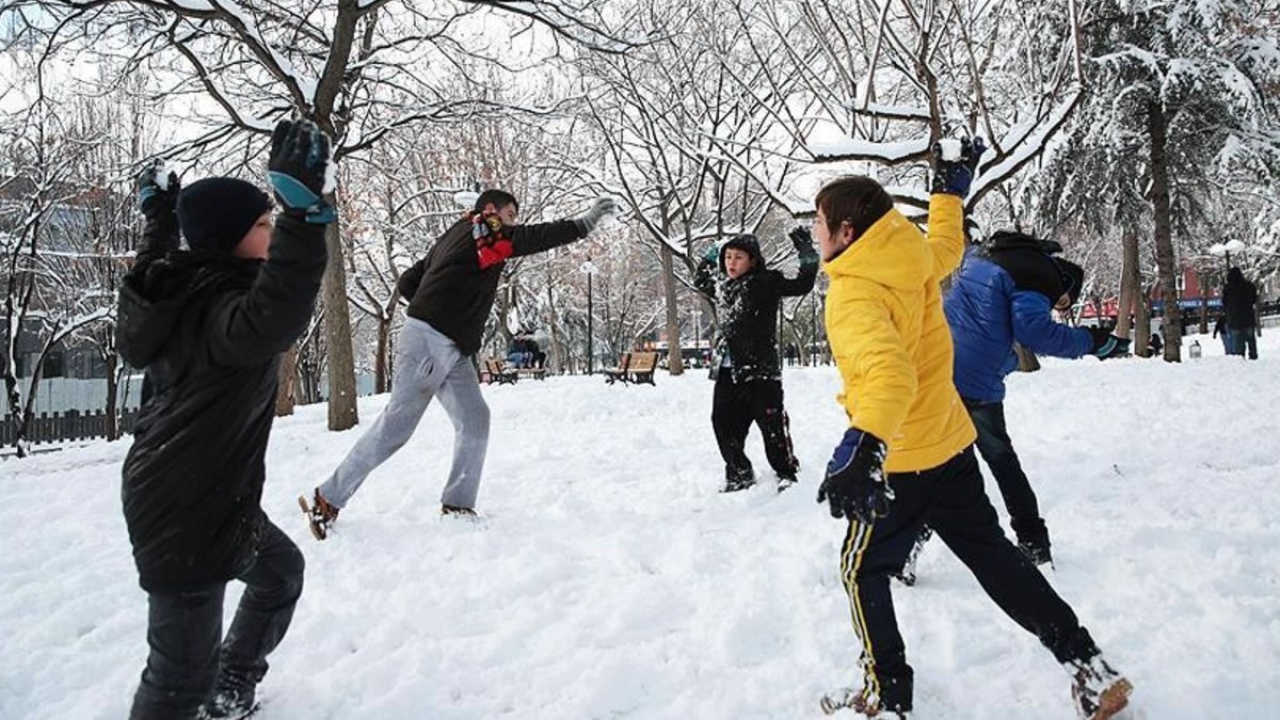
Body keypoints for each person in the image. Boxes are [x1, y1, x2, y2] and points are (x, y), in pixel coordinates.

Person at [812, 137, 1132, 720]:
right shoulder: (908, 256)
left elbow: (888, 375)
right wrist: (948, 192)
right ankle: (1088, 665)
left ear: (848, 232)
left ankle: (886, 695)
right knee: (995, 559)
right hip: (952, 444)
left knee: (861, 572)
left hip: (904, 457)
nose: (814, 233)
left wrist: (863, 444)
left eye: (820, 223)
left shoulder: (854, 293)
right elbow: (945, 248)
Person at [118, 120, 334, 720]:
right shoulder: (221, 311)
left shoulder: (180, 285)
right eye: (262, 226)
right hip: (184, 513)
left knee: (279, 575)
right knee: (176, 680)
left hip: (209, 498)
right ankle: (210, 689)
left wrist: (159, 217)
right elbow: (277, 311)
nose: (269, 232)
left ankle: (233, 682)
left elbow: (154, 260)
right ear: (233, 240)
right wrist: (303, 215)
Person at [301, 190, 617, 537]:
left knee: (474, 417)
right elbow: (531, 237)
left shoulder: (460, 233)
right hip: (431, 340)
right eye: (510, 214)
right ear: (491, 210)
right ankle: (327, 498)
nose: (513, 223)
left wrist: (440, 300)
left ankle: (457, 504)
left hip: (450, 344)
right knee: (397, 427)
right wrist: (584, 224)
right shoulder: (485, 228)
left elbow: (410, 279)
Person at [942, 232, 1131, 567]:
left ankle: (906, 542)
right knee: (1001, 460)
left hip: (937, 364)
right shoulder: (1039, 277)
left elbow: (988, 320)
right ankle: (1034, 542)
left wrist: (1010, 361)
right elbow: (1036, 332)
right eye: (1061, 303)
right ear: (1063, 286)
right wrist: (1091, 341)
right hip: (975, 379)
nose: (1057, 308)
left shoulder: (986, 255)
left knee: (936, 462)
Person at [693, 227, 818, 492]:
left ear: (752, 260)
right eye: (727, 257)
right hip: (729, 370)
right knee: (723, 424)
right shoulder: (723, 287)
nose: (731, 263)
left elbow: (803, 283)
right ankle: (739, 473)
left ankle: (785, 472)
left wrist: (805, 250)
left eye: (738, 257)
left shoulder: (766, 282)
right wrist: (711, 253)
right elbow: (701, 280)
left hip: (761, 370)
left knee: (771, 426)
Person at [1222, 267, 1259, 359]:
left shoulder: (1228, 288)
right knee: (1251, 340)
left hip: (1235, 320)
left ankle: (1240, 358)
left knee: (1238, 342)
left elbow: (1224, 302)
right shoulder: (1249, 285)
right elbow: (1254, 299)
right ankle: (1253, 356)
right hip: (1248, 317)